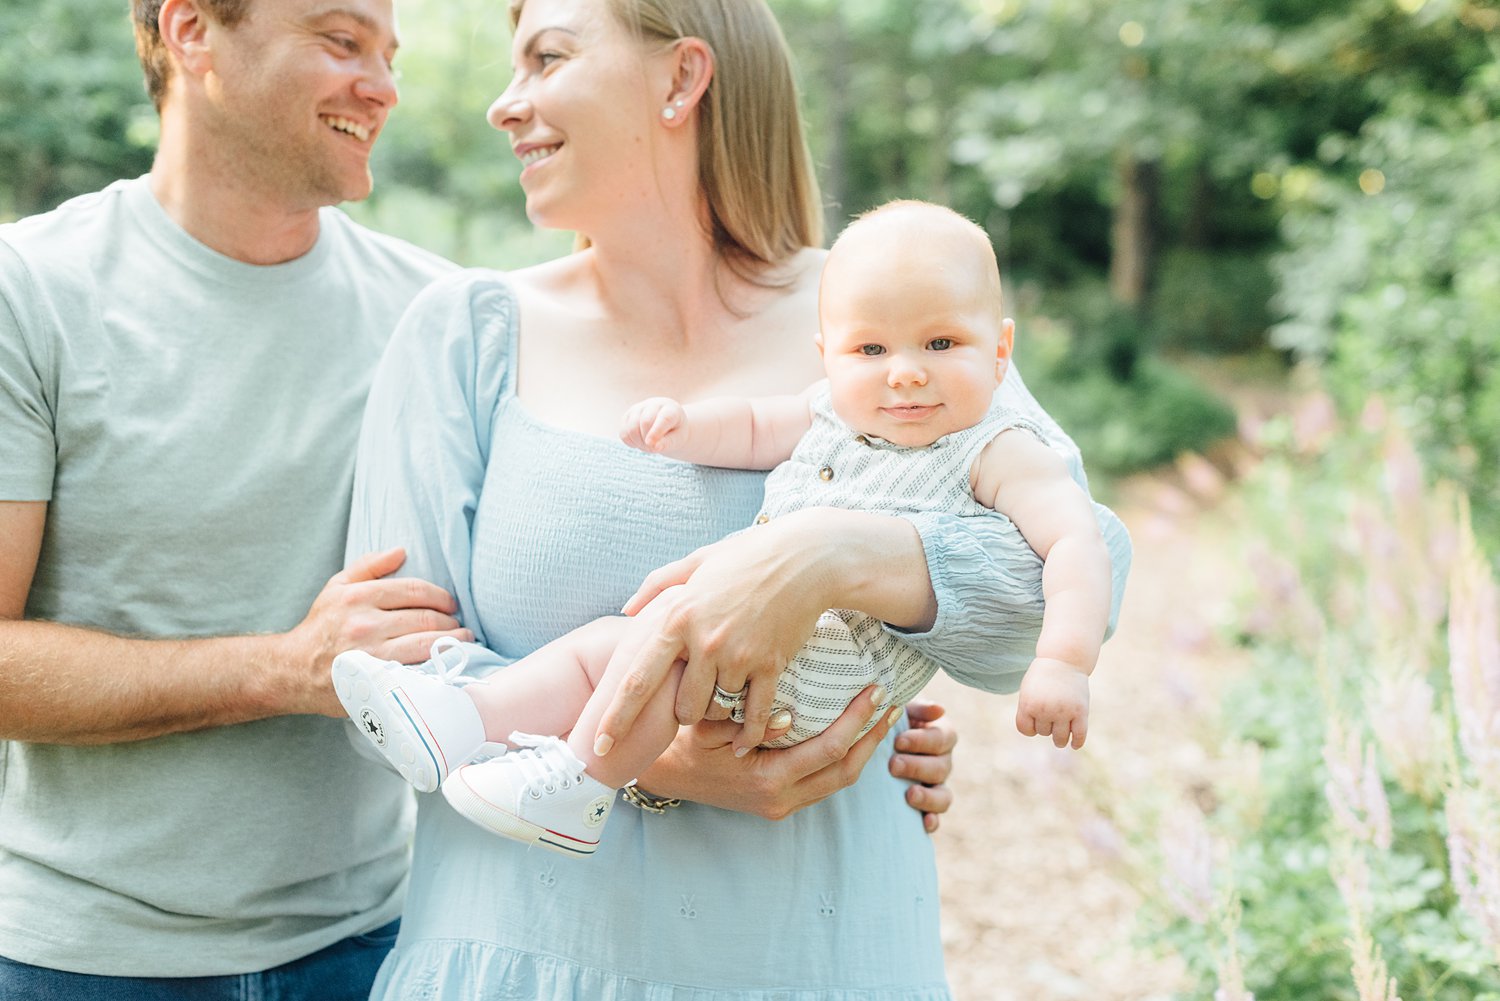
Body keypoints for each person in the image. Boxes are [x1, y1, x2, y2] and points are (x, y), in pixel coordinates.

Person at [0, 0, 957, 996]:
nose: (384, 84)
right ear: (191, 31)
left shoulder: (434, 308)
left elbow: (979, 540)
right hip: (94, 951)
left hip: (360, 932)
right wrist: (281, 669)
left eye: (389, 52)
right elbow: (408, 674)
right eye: (341, 41)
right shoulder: (34, 291)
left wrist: (877, 693)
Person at [346, 0, 1130, 996]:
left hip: (815, 954)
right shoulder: (464, 332)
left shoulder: (889, 315)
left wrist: (828, 560)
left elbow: (1076, 567)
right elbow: (391, 670)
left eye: (547, 59)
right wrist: (653, 759)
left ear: (682, 80)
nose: (507, 106)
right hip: (521, 950)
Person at [332, 200, 1120, 858]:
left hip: (806, 681)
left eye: (940, 344)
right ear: (829, 355)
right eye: (871, 348)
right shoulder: (835, 414)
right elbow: (751, 427)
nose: (905, 371)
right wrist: (683, 426)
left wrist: (1063, 662)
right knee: (613, 642)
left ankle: (580, 778)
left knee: (644, 651)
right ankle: (458, 718)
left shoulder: (993, 449)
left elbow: (1077, 542)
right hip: (756, 644)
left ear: (1001, 349)